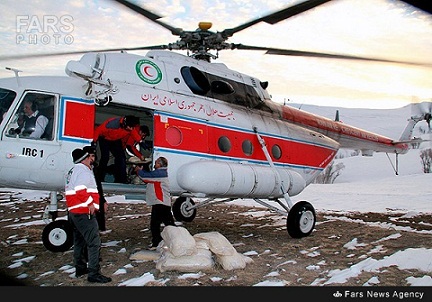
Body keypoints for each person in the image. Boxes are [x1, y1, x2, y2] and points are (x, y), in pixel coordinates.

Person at [65, 147, 112, 283]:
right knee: (94, 243)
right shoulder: (83, 171)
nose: (91, 159)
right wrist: (90, 203)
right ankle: (93, 273)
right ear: (84, 158)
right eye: (89, 157)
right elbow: (81, 190)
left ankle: (80, 267)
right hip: (84, 212)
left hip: (74, 212)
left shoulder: (73, 170)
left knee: (79, 241)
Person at [134, 156, 175, 250]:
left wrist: (138, 170)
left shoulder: (160, 173)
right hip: (161, 202)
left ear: (160, 164)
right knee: (167, 224)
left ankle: (157, 243)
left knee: (157, 224)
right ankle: (168, 241)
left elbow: (145, 177)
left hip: (160, 202)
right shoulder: (161, 173)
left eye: (156, 163)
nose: (154, 164)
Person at [93, 115, 140, 183]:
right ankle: (99, 178)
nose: (132, 129)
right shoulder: (112, 124)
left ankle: (121, 179)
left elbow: (134, 133)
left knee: (121, 158)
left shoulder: (130, 126)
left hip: (115, 140)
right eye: (131, 127)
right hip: (105, 139)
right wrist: (93, 142)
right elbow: (98, 130)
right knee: (105, 157)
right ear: (125, 124)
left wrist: (140, 141)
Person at [83, 145, 108, 232]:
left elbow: (98, 187)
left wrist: (103, 200)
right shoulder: (81, 170)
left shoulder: (95, 169)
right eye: (89, 156)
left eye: (93, 156)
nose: (91, 158)